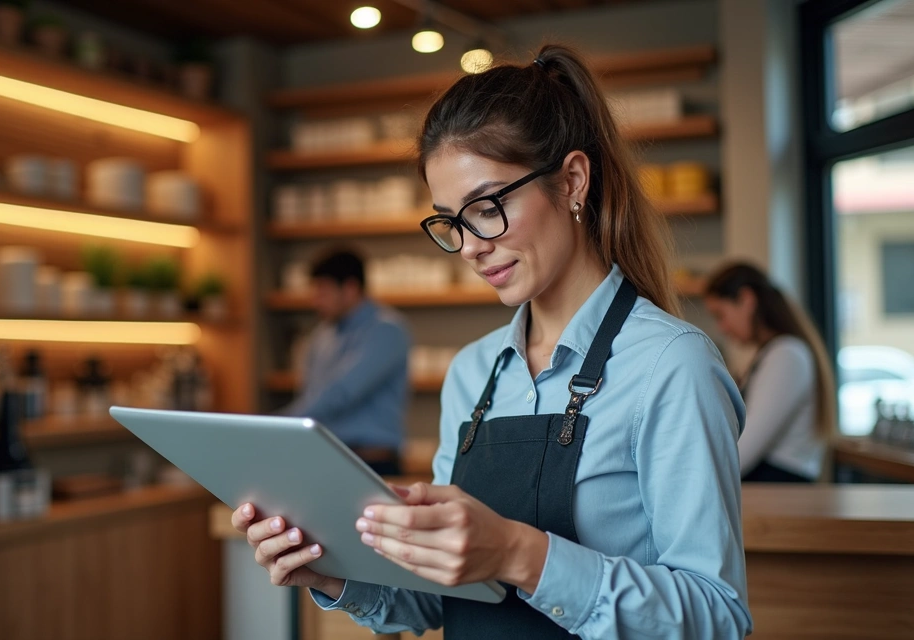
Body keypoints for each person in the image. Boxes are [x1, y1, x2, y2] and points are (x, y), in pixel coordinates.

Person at [233, 44, 753, 639]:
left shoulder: (671, 365)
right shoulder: (474, 371)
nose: (471, 245)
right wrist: (330, 574)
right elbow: (445, 598)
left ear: (573, 181)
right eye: (452, 222)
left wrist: (520, 553)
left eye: (486, 207)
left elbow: (718, 618)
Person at [279, 248, 412, 476]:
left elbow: (341, 393)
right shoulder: (321, 335)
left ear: (350, 289)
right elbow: (310, 392)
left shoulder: (386, 330)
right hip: (324, 457)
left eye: (323, 291)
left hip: (371, 463)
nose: (315, 300)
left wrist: (278, 424)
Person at [704, 262, 837, 483]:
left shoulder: (787, 356)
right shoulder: (775, 354)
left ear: (746, 299)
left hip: (779, 494)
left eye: (720, 314)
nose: (722, 328)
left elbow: (744, 450)